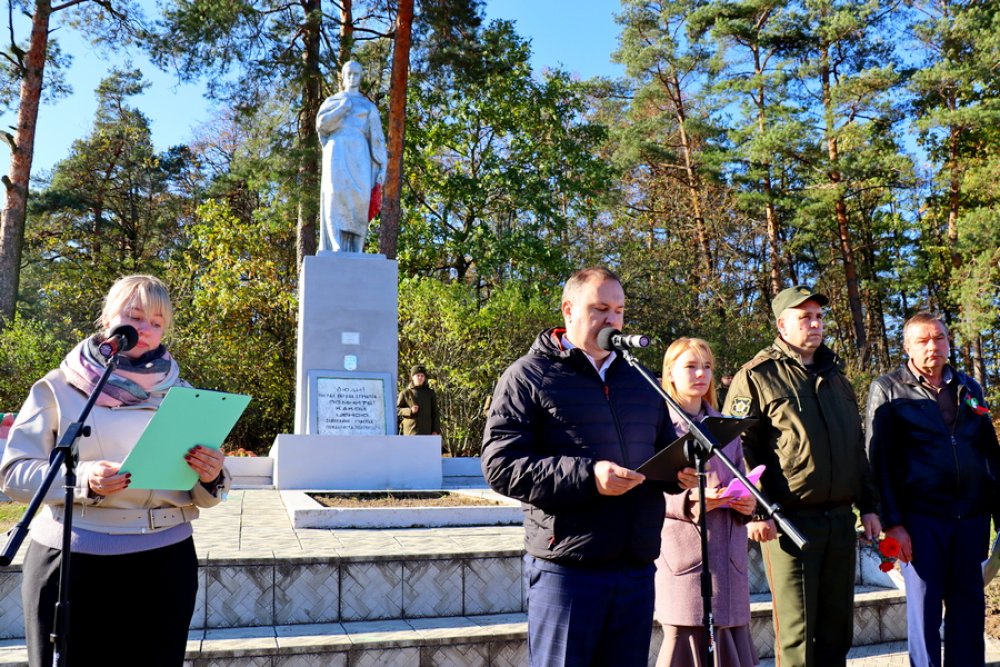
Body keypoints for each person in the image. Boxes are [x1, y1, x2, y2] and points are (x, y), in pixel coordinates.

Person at [0, 275, 230, 667]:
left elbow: (205, 493)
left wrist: (211, 475)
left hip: (164, 564)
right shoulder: (58, 387)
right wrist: (82, 480)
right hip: (71, 561)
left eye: (156, 322)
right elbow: (14, 473)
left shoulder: (184, 395)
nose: (144, 329)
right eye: (135, 316)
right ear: (108, 318)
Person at [481, 266, 685, 667]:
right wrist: (588, 476)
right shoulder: (528, 376)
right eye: (600, 309)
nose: (613, 320)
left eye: (619, 311)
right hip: (568, 569)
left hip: (636, 566)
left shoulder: (641, 379)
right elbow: (501, 465)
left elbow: (660, 449)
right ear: (568, 310)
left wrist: (678, 473)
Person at [723, 284, 880, 667]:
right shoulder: (758, 376)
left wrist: (870, 506)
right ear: (782, 324)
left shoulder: (837, 378)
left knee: (836, 632)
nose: (815, 323)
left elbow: (855, 448)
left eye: (819, 316)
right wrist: (756, 511)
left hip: (840, 522)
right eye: (805, 317)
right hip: (788, 523)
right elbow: (738, 449)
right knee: (798, 636)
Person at [866, 313, 1000, 667]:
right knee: (924, 611)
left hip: (971, 518)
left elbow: (989, 452)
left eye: (939, 338)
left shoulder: (969, 387)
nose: (933, 346)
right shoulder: (888, 389)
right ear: (907, 347)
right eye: (923, 340)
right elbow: (878, 462)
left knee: (968, 611)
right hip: (920, 520)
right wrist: (893, 523)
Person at [655, 337, 758, 667]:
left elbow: (742, 480)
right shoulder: (658, 427)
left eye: (707, 366)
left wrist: (747, 506)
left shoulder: (726, 428)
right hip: (686, 563)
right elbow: (646, 488)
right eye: (690, 366)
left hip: (729, 562)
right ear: (670, 373)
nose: (701, 374)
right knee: (687, 643)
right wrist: (692, 501)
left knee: (732, 643)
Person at [316, 59, 388, 253]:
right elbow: (322, 126)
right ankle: (336, 244)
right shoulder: (333, 102)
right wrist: (342, 109)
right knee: (335, 194)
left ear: (361, 77)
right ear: (343, 77)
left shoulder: (368, 107)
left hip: (359, 154)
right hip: (337, 151)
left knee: (360, 198)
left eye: (356, 74)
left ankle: (357, 247)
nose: (353, 77)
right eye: (349, 74)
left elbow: (377, 139)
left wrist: (382, 166)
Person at [397, 364, 441, 436]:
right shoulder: (405, 393)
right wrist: (410, 411)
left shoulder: (430, 393)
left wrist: (435, 430)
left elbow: (435, 413)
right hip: (410, 433)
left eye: (422, 376)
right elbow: (397, 410)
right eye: (418, 375)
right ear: (412, 377)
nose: (420, 377)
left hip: (427, 433)